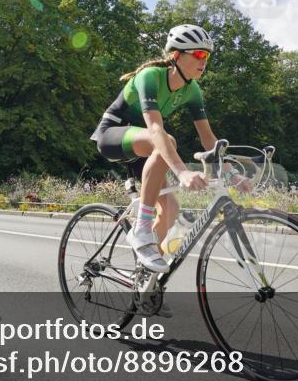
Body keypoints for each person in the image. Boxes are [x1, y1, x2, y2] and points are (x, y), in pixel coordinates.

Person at [90, 24, 252, 278]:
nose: (204, 61)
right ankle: (141, 229)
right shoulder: (150, 77)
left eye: (207, 56)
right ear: (176, 55)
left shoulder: (192, 90)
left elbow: (209, 139)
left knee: (172, 209)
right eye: (198, 54)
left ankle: (145, 278)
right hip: (112, 135)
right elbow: (155, 128)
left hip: (144, 148)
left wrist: (231, 174)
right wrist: (182, 172)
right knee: (167, 139)